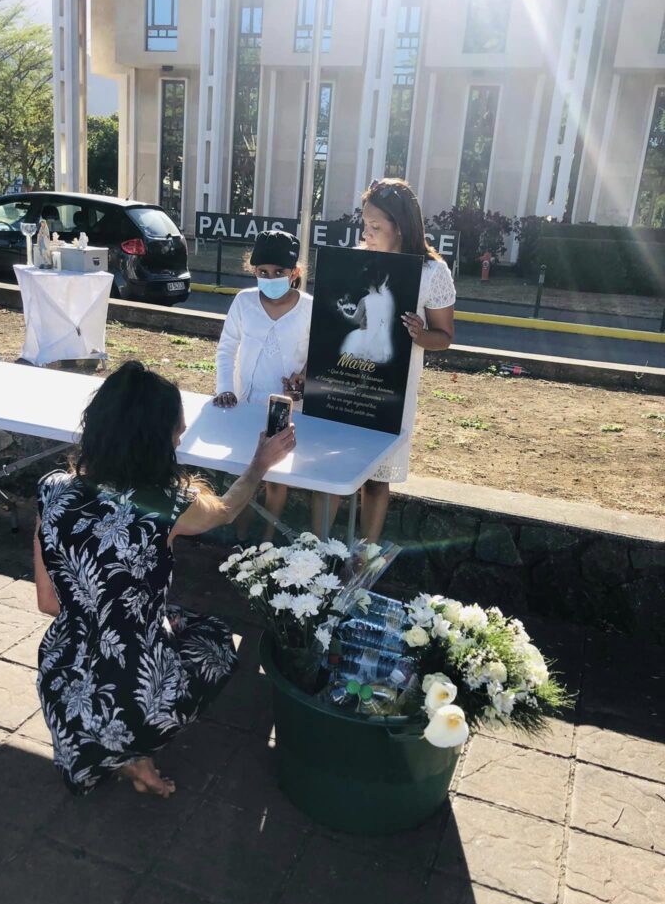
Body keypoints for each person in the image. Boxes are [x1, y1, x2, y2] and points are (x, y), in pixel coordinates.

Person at [33, 360, 295, 797]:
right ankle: (138, 747)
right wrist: (259, 464)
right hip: (140, 698)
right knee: (211, 640)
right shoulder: (171, 505)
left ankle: (121, 752)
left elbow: (49, 602)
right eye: (178, 431)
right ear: (156, 440)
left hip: (63, 683)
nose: (180, 438)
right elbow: (228, 508)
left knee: (134, 623)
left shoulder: (52, 489)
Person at [312, 177, 456, 541]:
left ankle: (365, 557)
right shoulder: (352, 262)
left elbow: (445, 337)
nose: (368, 233)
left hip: (389, 392)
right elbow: (329, 327)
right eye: (365, 225)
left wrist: (421, 336)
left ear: (401, 226)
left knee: (376, 478)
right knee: (331, 468)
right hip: (342, 382)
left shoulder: (432, 272)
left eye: (376, 226)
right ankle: (313, 558)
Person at [212, 229, 312, 541]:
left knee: (277, 478)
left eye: (279, 272)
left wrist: (303, 380)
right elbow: (227, 347)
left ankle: (267, 542)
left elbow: (318, 354)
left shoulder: (310, 308)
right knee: (245, 471)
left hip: (284, 408)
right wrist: (225, 388)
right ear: (253, 271)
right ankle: (240, 540)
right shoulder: (244, 302)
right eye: (263, 272)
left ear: (294, 273)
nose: (270, 278)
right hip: (243, 401)